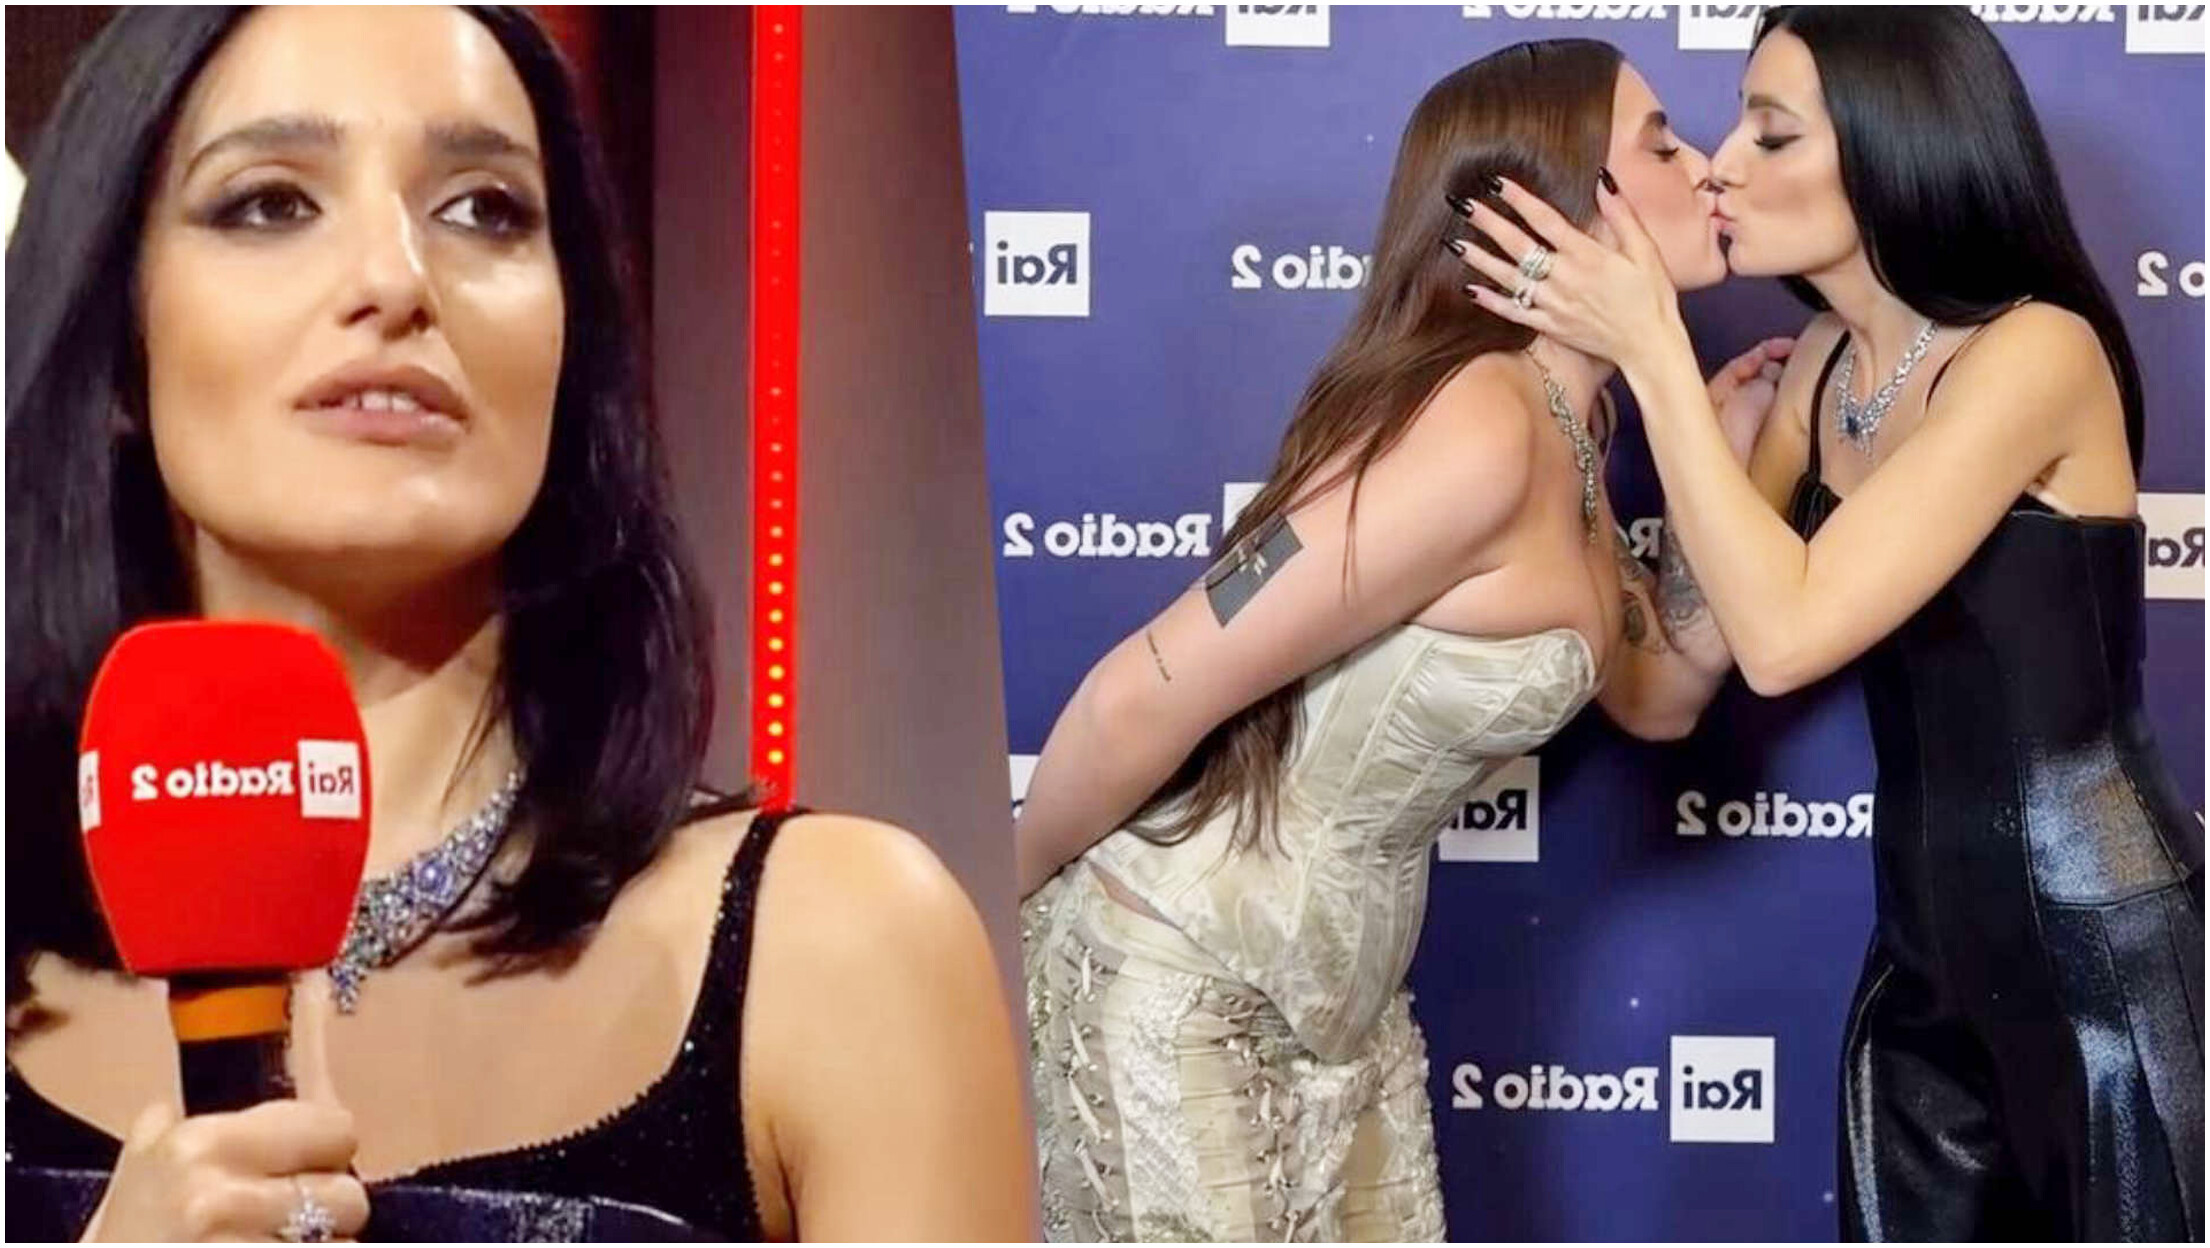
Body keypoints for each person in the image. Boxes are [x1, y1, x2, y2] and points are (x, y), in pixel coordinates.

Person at [4, 7, 1031, 1241]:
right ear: (117, 334)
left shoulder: (847, 949)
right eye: (272, 203)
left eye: (483, 209)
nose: (396, 280)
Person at [1014, 38, 1790, 1242]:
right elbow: (1140, 693)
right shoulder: (1480, 425)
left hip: (1345, 1014)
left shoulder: (1568, 424)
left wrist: (1720, 464)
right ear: (1554, 204)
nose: (1702, 168)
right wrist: (986, 914)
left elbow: (1661, 693)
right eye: (1660, 146)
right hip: (1189, 977)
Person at [1454, 6, 2202, 1241]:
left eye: (1770, 134)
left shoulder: (2035, 352)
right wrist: (1600, 459)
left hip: (2101, 951)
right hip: (1920, 968)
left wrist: (1653, 364)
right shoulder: (1815, 366)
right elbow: (1661, 688)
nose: (1719, 166)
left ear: (1894, 144)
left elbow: (1786, 638)